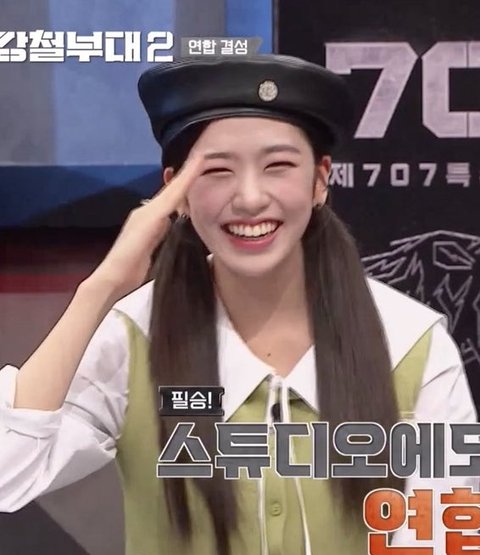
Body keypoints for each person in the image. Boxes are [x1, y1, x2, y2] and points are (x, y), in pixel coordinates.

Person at [0, 55, 477, 555]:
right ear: (176, 192)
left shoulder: (410, 345)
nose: (249, 198)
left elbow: (444, 537)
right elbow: (10, 473)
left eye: (278, 166)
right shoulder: (132, 337)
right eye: (217, 170)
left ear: (320, 180)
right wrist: (100, 288)